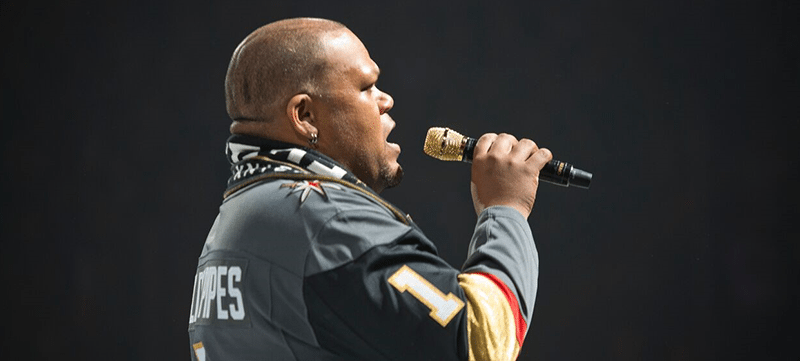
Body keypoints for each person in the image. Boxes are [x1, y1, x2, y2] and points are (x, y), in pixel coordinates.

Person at [187, 17, 553, 361]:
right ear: (305, 116)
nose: (386, 100)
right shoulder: (325, 221)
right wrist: (505, 209)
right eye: (367, 87)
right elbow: (481, 341)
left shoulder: (234, 221)